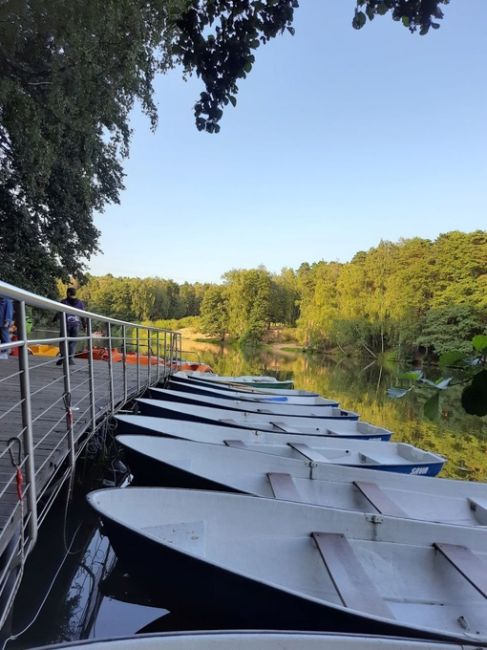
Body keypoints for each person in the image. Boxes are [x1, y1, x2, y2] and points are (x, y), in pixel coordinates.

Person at [55, 287, 87, 366]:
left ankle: (63, 358)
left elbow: (59, 312)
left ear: (68, 293)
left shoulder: (64, 301)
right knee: (73, 342)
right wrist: (84, 325)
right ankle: (70, 359)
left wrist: (54, 319)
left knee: (63, 341)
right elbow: (82, 315)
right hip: (76, 325)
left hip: (65, 324)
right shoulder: (80, 303)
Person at [0, 295, 14, 359]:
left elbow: (9, 311)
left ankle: (4, 353)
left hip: (4, 322)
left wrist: (7, 321)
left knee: (5, 337)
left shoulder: (7, 300)